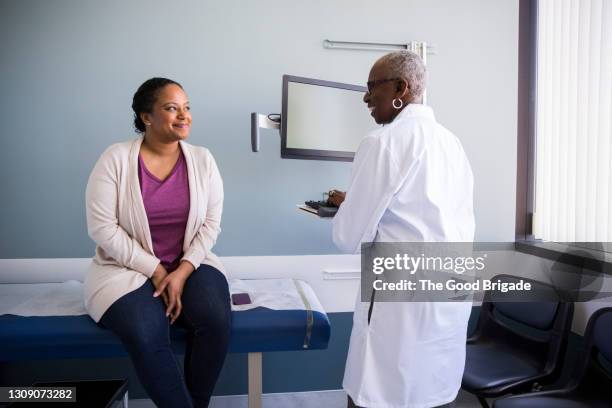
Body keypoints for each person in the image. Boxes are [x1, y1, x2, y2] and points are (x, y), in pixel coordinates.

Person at [330, 51, 475, 408]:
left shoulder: (382, 142)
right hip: (450, 291)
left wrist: (347, 208)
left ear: (401, 88)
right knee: (429, 393)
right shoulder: (451, 143)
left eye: (371, 88)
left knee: (379, 392)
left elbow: (347, 237)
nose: (366, 98)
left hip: (401, 297)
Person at [84, 78, 230, 408]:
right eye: (171, 108)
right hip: (124, 268)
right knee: (146, 330)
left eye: (187, 107)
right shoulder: (116, 159)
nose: (184, 115)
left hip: (191, 262)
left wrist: (178, 273)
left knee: (216, 319)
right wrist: (155, 270)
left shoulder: (203, 160)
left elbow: (211, 225)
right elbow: (102, 227)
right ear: (146, 117)